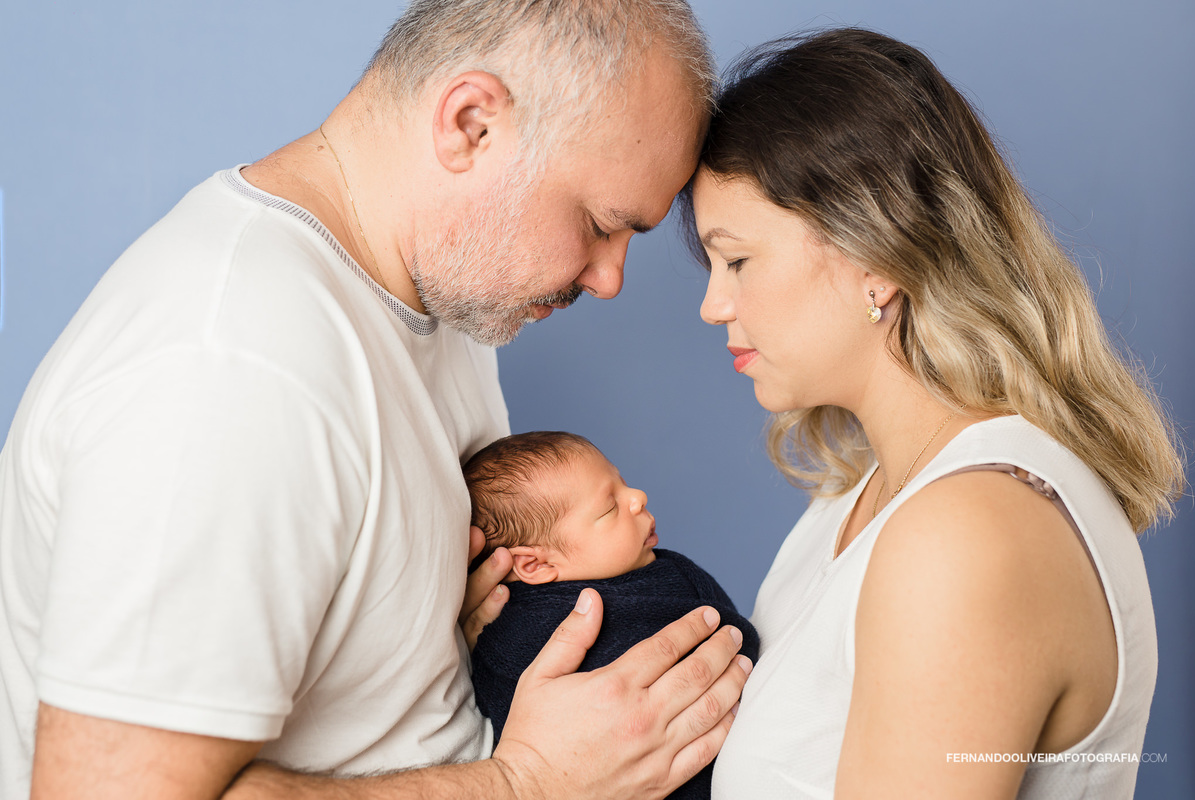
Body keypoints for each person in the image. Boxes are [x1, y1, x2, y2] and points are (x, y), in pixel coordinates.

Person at [0, 2, 752, 799]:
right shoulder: (230, 366)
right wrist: (526, 784)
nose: (609, 279)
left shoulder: (442, 300)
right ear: (470, 123)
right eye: (599, 224)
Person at [683, 28, 1185, 799]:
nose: (714, 305)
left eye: (738, 260)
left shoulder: (964, 535)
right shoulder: (862, 500)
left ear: (875, 256)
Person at [462, 432, 758, 755]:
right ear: (536, 564)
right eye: (609, 508)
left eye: (623, 482)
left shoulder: (665, 574)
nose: (639, 497)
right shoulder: (512, 640)